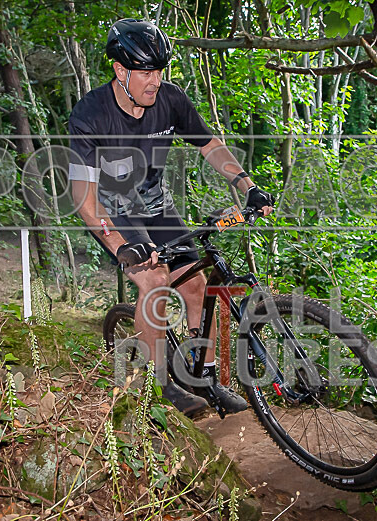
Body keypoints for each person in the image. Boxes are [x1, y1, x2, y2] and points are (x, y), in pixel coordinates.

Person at [68, 19, 274, 417]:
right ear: (120, 70)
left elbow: (209, 144)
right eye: (146, 71)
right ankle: (155, 382)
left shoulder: (170, 99)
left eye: (160, 70)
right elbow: (84, 198)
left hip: (153, 200)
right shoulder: (89, 114)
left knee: (196, 282)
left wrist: (247, 185)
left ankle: (204, 377)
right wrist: (121, 246)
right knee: (155, 279)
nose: (155, 80)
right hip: (110, 207)